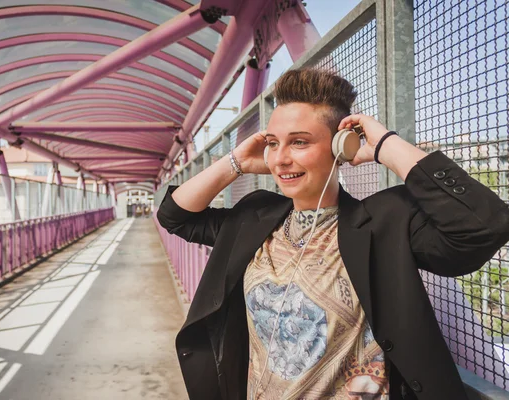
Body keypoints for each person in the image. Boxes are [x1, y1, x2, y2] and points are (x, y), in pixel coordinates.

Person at [157, 68, 509, 400]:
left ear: (341, 145)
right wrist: (236, 161)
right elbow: (176, 216)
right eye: (273, 143)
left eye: (299, 142)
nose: (280, 159)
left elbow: (484, 227)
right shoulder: (254, 216)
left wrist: (385, 145)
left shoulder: (384, 222)